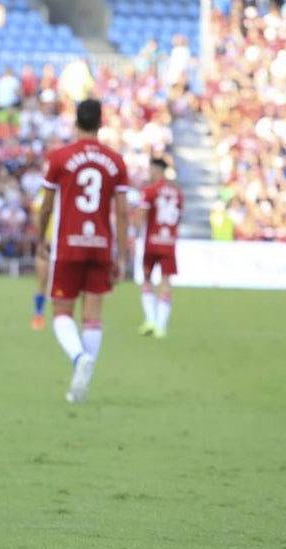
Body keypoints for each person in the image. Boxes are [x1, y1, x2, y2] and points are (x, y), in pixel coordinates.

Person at [36, 99, 129, 404]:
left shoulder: (61, 157)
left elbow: (48, 203)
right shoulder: (116, 161)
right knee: (93, 317)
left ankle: (79, 359)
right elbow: (123, 213)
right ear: (101, 124)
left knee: (62, 312)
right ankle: (83, 382)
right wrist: (122, 255)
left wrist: (40, 236)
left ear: (75, 123)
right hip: (101, 245)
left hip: (68, 244)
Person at [137, 157, 183, 338]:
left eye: (151, 169)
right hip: (169, 243)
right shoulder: (178, 192)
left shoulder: (149, 191)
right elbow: (178, 217)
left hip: (151, 242)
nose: (150, 173)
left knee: (147, 279)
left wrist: (135, 232)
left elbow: (141, 215)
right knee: (165, 283)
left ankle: (151, 320)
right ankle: (160, 327)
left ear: (157, 170)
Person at [29, 188, 52, 330]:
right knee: (42, 278)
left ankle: (63, 317)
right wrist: (43, 238)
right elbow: (36, 215)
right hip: (47, 242)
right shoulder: (45, 193)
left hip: (65, 243)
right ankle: (38, 315)